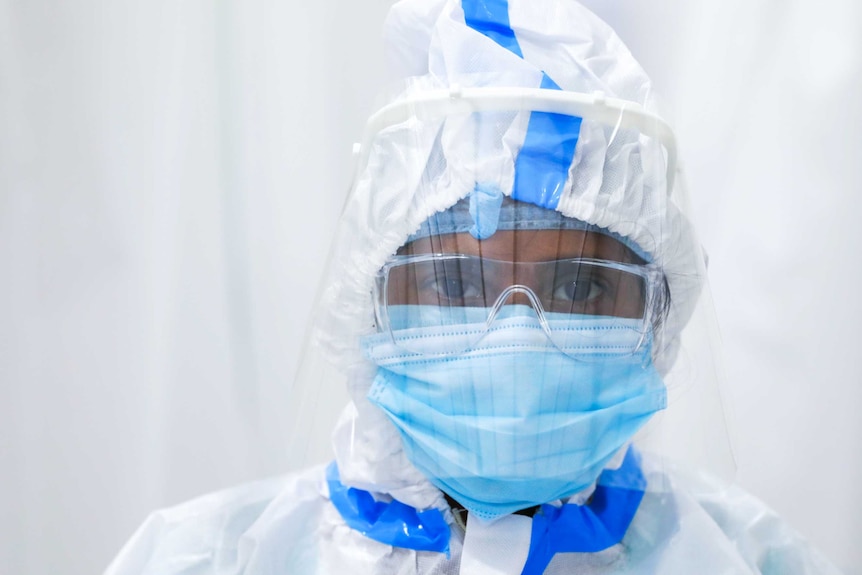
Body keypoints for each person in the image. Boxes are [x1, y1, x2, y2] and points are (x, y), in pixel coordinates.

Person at [106, 0, 844, 573]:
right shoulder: (203, 559)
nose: (517, 336)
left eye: (582, 285)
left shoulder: (750, 559)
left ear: (657, 318)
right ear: (368, 303)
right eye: (456, 282)